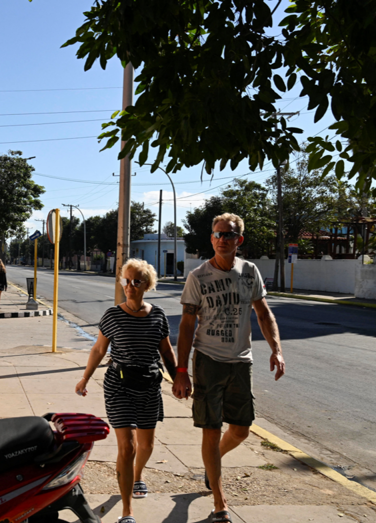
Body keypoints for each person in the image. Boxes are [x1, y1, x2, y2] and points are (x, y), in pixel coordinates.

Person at [172, 213, 286, 523]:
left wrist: (276, 349)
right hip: (208, 360)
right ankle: (220, 504)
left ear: (239, 240)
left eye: (230, 234)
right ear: (211, 239)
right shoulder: (198, 277)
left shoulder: (249, 272)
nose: (223, 238)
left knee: (241, 430)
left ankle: (214, 463)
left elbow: (264, 314)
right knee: (211, 430)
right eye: (218, 234)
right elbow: (186, 325)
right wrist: (181, 370)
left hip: (241, 361)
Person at [75, 259, 177, 523]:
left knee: (147, 444)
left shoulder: (158, 315)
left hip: (149, 383)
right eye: (126, 281)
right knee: (127, 446)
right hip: (119, 384)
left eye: (136, 282)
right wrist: (85, 377)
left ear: (147, 285)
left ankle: (138, 475)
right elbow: (99, 349)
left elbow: (166, 350)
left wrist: (178, 378)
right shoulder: (113, 315)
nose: (129, 286)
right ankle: (127, 511)